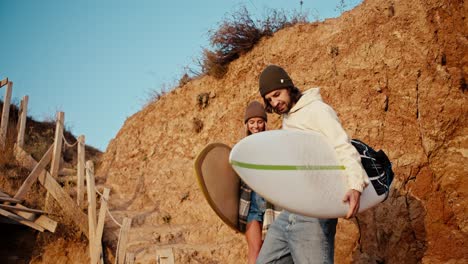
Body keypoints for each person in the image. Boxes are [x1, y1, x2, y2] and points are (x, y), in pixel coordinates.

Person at [255, 65, 370, 264]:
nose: (275, 102)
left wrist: (354, 185)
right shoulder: (287, 119)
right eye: (269, 100)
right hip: (291, 212)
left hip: (315, 214)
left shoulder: (317, 110)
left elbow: (342, 145)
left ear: (289, 87)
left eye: (277, 94)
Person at [239, 101, 279, 264]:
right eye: (252, 122)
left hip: (271, 204)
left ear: (265, 123)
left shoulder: (273, 143)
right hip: (251, 204)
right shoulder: (241, 148)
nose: (256, 126)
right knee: (255, 250)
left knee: (271, 253)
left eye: (260, 121)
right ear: (247, 124)